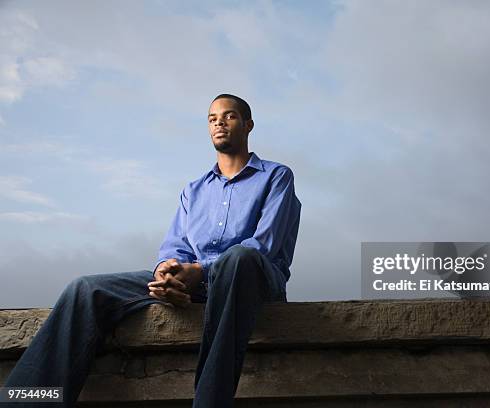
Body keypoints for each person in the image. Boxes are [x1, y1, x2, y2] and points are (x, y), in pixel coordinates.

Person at [3, 94, 302, 408]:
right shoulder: (193, 190)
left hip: (251, 282)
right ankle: (26, 401)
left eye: (228, 117)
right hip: (198, 283)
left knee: (237, 259)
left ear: (247, 124)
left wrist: (199, 272)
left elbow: (262, 245)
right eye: (213, 119)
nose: (219, 124)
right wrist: (168, 272)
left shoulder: (276, 176)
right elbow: (177, 245)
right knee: (86, 288)